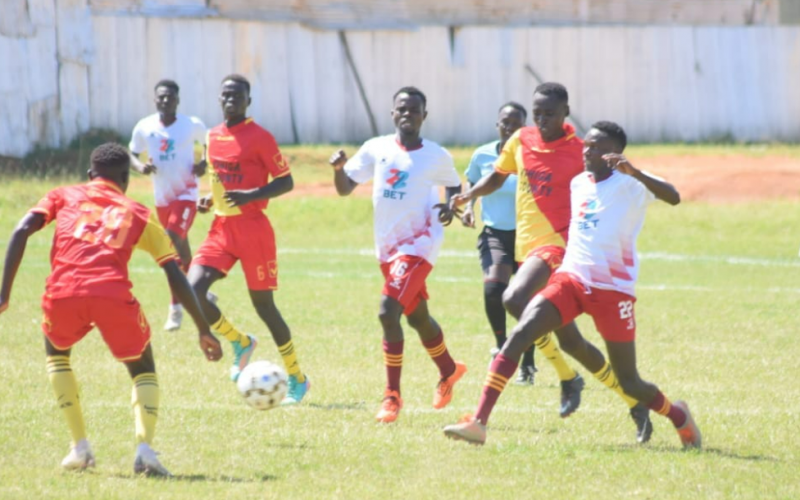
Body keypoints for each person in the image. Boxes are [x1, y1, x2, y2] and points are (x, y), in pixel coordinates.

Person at [444, 121, 702, 449]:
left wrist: (635, 172)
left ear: (614, 154)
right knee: (522, 332)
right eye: (587, 145)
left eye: (596, 147)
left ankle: (677, 415)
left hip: (613, 291)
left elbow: (675, 197)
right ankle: (478, 422)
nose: (587, 150)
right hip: (572, 279)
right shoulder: (579, 183)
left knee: (631, 381)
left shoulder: (630, 185)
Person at [0, 143, 223, 475]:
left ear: (90, 175)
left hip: (63, 293)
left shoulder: (63, 195)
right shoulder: (139, 213)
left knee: (57, 354)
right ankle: (145, 450)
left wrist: (4, 294)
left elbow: (20, 230)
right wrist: (203, 329)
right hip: (111, 295)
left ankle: (79, 447)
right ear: (125, 178)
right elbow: (174, 273)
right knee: (142, 366)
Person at [450, 83, 651, 440]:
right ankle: (623, 398)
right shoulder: (521, 141)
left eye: (550, 114)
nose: (542, 120)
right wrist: (469, 194)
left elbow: (610, 185)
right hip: (529, 249)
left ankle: (482, 420)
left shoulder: (580, 150)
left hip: (561, 248)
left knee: (512, 298)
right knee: (573, 344)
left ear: (565, 113)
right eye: (538, 112)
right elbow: (498, 176)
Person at [329, 86, 467, 423]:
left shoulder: (436, 154)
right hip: (388, 247)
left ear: (424, 115)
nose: (408, 114)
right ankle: (449, 370)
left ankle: (392, 396)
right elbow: (346, 188)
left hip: (420, 243)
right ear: (392, 113)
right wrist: (338, 169)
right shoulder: (375, 148)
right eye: (401, 109)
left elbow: (453, 184)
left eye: (414, 109)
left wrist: (450, 206)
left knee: (387, 311)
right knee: (416, 317)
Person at [188, 74, 309, 404]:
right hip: (221, 229)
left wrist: (251, 195)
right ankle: (239, 341)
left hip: (254, 229)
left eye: (237, 96)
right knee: (193, 289)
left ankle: (298, 378)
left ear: (248, 102)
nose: (231, 101)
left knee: (265, 308)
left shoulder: (260, 138)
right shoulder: (211, 136)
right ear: (219, 99)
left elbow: (286, 181)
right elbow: (218, 179)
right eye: (226, 95)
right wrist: (210, 200)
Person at [461, 102, 537, 384]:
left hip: (529, 236)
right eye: (505, 122)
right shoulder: (482, 154)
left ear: (524, 128)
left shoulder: (532, 156)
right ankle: (502, 346)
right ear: (497, 124)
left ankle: (527, 362)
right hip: (495, 234)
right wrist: (469, 207)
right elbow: (472, 182)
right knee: (494, 289)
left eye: (516, 123)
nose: (509, 127)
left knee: (525, 301)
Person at [129, 79, 209, 331]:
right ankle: (199, 292)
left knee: (170, 240)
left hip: (186, 194)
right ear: (155, 99)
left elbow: (211, 143)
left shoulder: (191, 124)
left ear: (178, 99)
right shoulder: (145, 126)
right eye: (161, 97)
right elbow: (131, 152)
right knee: (182, 253)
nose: (165, 100)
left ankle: (175, 308)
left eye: (170, 97)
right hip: (162, 198)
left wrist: (204, 162)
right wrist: (140, 166)